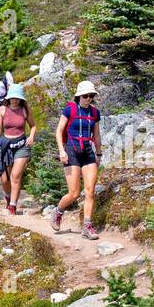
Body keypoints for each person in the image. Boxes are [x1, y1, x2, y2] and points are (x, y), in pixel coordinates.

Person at [51, 80, 102, 239]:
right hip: (71, 150)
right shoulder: (69, 109)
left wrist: (99, 154)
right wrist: (61, 150)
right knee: (74, 193)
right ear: (79, 96)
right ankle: (58, 211)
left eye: (91, 96)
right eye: (86, 96)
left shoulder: (95, 113)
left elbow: (97, 134)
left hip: (87, 151)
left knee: (90, 191)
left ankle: (87, 226)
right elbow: (59, 131)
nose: (89, 99)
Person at [0, 83, 36, 215]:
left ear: (21, 99)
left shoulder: (25, 110)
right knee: (5, 179)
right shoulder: (2, 110)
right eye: (13, 97)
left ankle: (13, 205)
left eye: (17, 98)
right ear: (8, 97)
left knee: (16, 175)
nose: (15, 100)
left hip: (21, 146)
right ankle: (8, 197)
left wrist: (31, 136)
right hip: (5, 145)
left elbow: (33, 126)